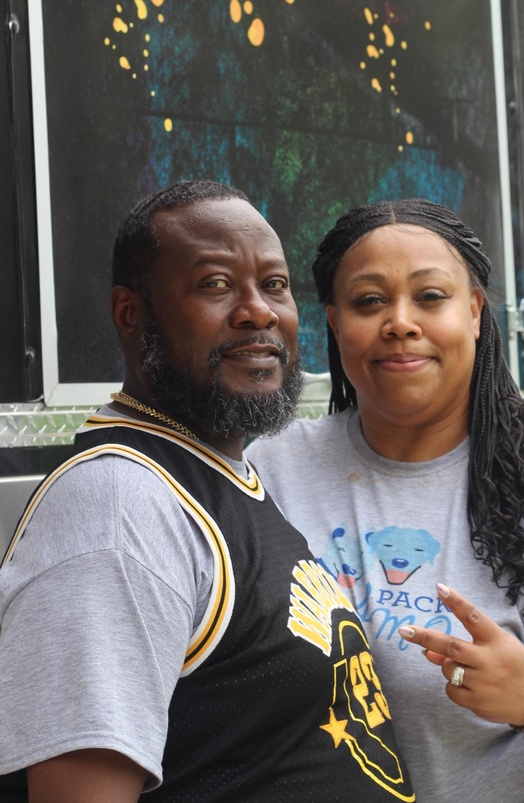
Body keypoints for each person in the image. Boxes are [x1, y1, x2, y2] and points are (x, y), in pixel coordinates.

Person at [246, 198, 524, 802]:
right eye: (369, 301)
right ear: (333, 323)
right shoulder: (266, 472)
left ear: (474, 310)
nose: (400, 322)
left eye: (430, 297)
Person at [0, 181, 415, 803]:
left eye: (274, 285)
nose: (259, 312)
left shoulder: (218, 473)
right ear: (129, 314)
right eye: (216, 284)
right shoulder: (120, 506)